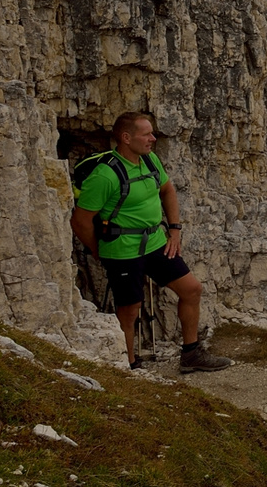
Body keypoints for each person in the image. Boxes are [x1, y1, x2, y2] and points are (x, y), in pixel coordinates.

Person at [70, 111, 232, 373]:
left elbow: (167, 190)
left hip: (156, 242)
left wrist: (175, 231)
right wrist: (99, 251)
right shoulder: (105, 176)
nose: (153, 139)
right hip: (122, 250)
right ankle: (130, 365)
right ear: (126, 138)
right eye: (146, 134)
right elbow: (80, 221)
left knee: (191, 289)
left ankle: (191, 355)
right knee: (130, 308)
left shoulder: (150, 161)